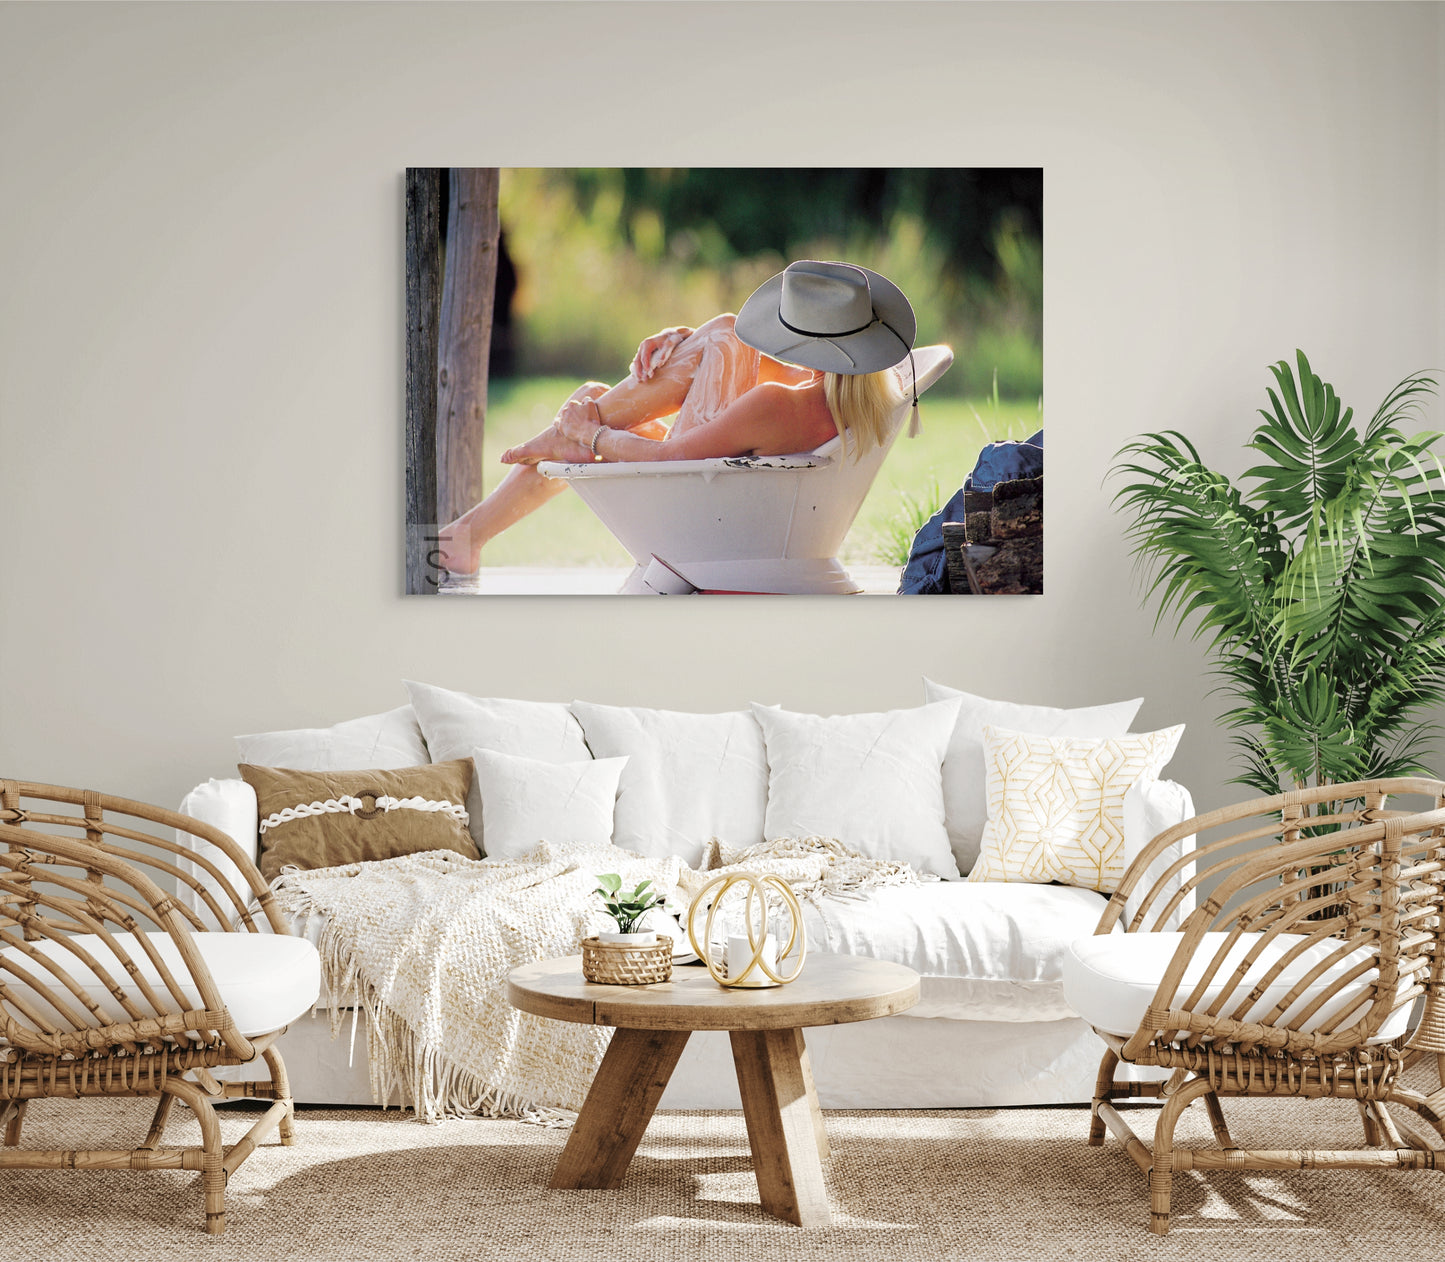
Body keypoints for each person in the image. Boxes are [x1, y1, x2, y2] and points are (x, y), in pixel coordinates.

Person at [436, 259, 918, 578]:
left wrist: (592, 432)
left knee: (591, 400)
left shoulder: (778, 404)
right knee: (725, 333)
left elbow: (669, 456)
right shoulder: (869, 393)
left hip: (699, 509)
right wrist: (690, 344)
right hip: (745, 508)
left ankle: (546, 452)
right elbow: (749, 350)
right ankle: (467, 534)